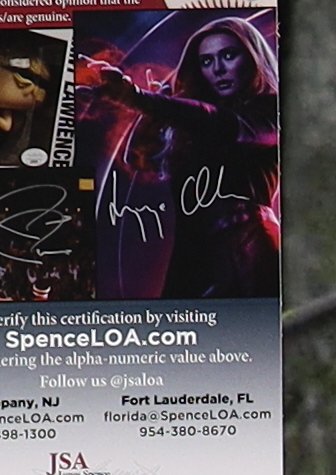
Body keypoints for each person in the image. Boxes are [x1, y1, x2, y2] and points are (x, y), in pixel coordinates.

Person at [91, 17, 279, 299]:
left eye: (229, 55)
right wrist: (150, 105)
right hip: (191, 258)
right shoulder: (193, 123)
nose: (217, 69)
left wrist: (139, 98)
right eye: (206, 61)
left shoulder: (271, 111)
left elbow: (221, 123)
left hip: (247, 249)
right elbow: (140, 160)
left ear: (253, 58)